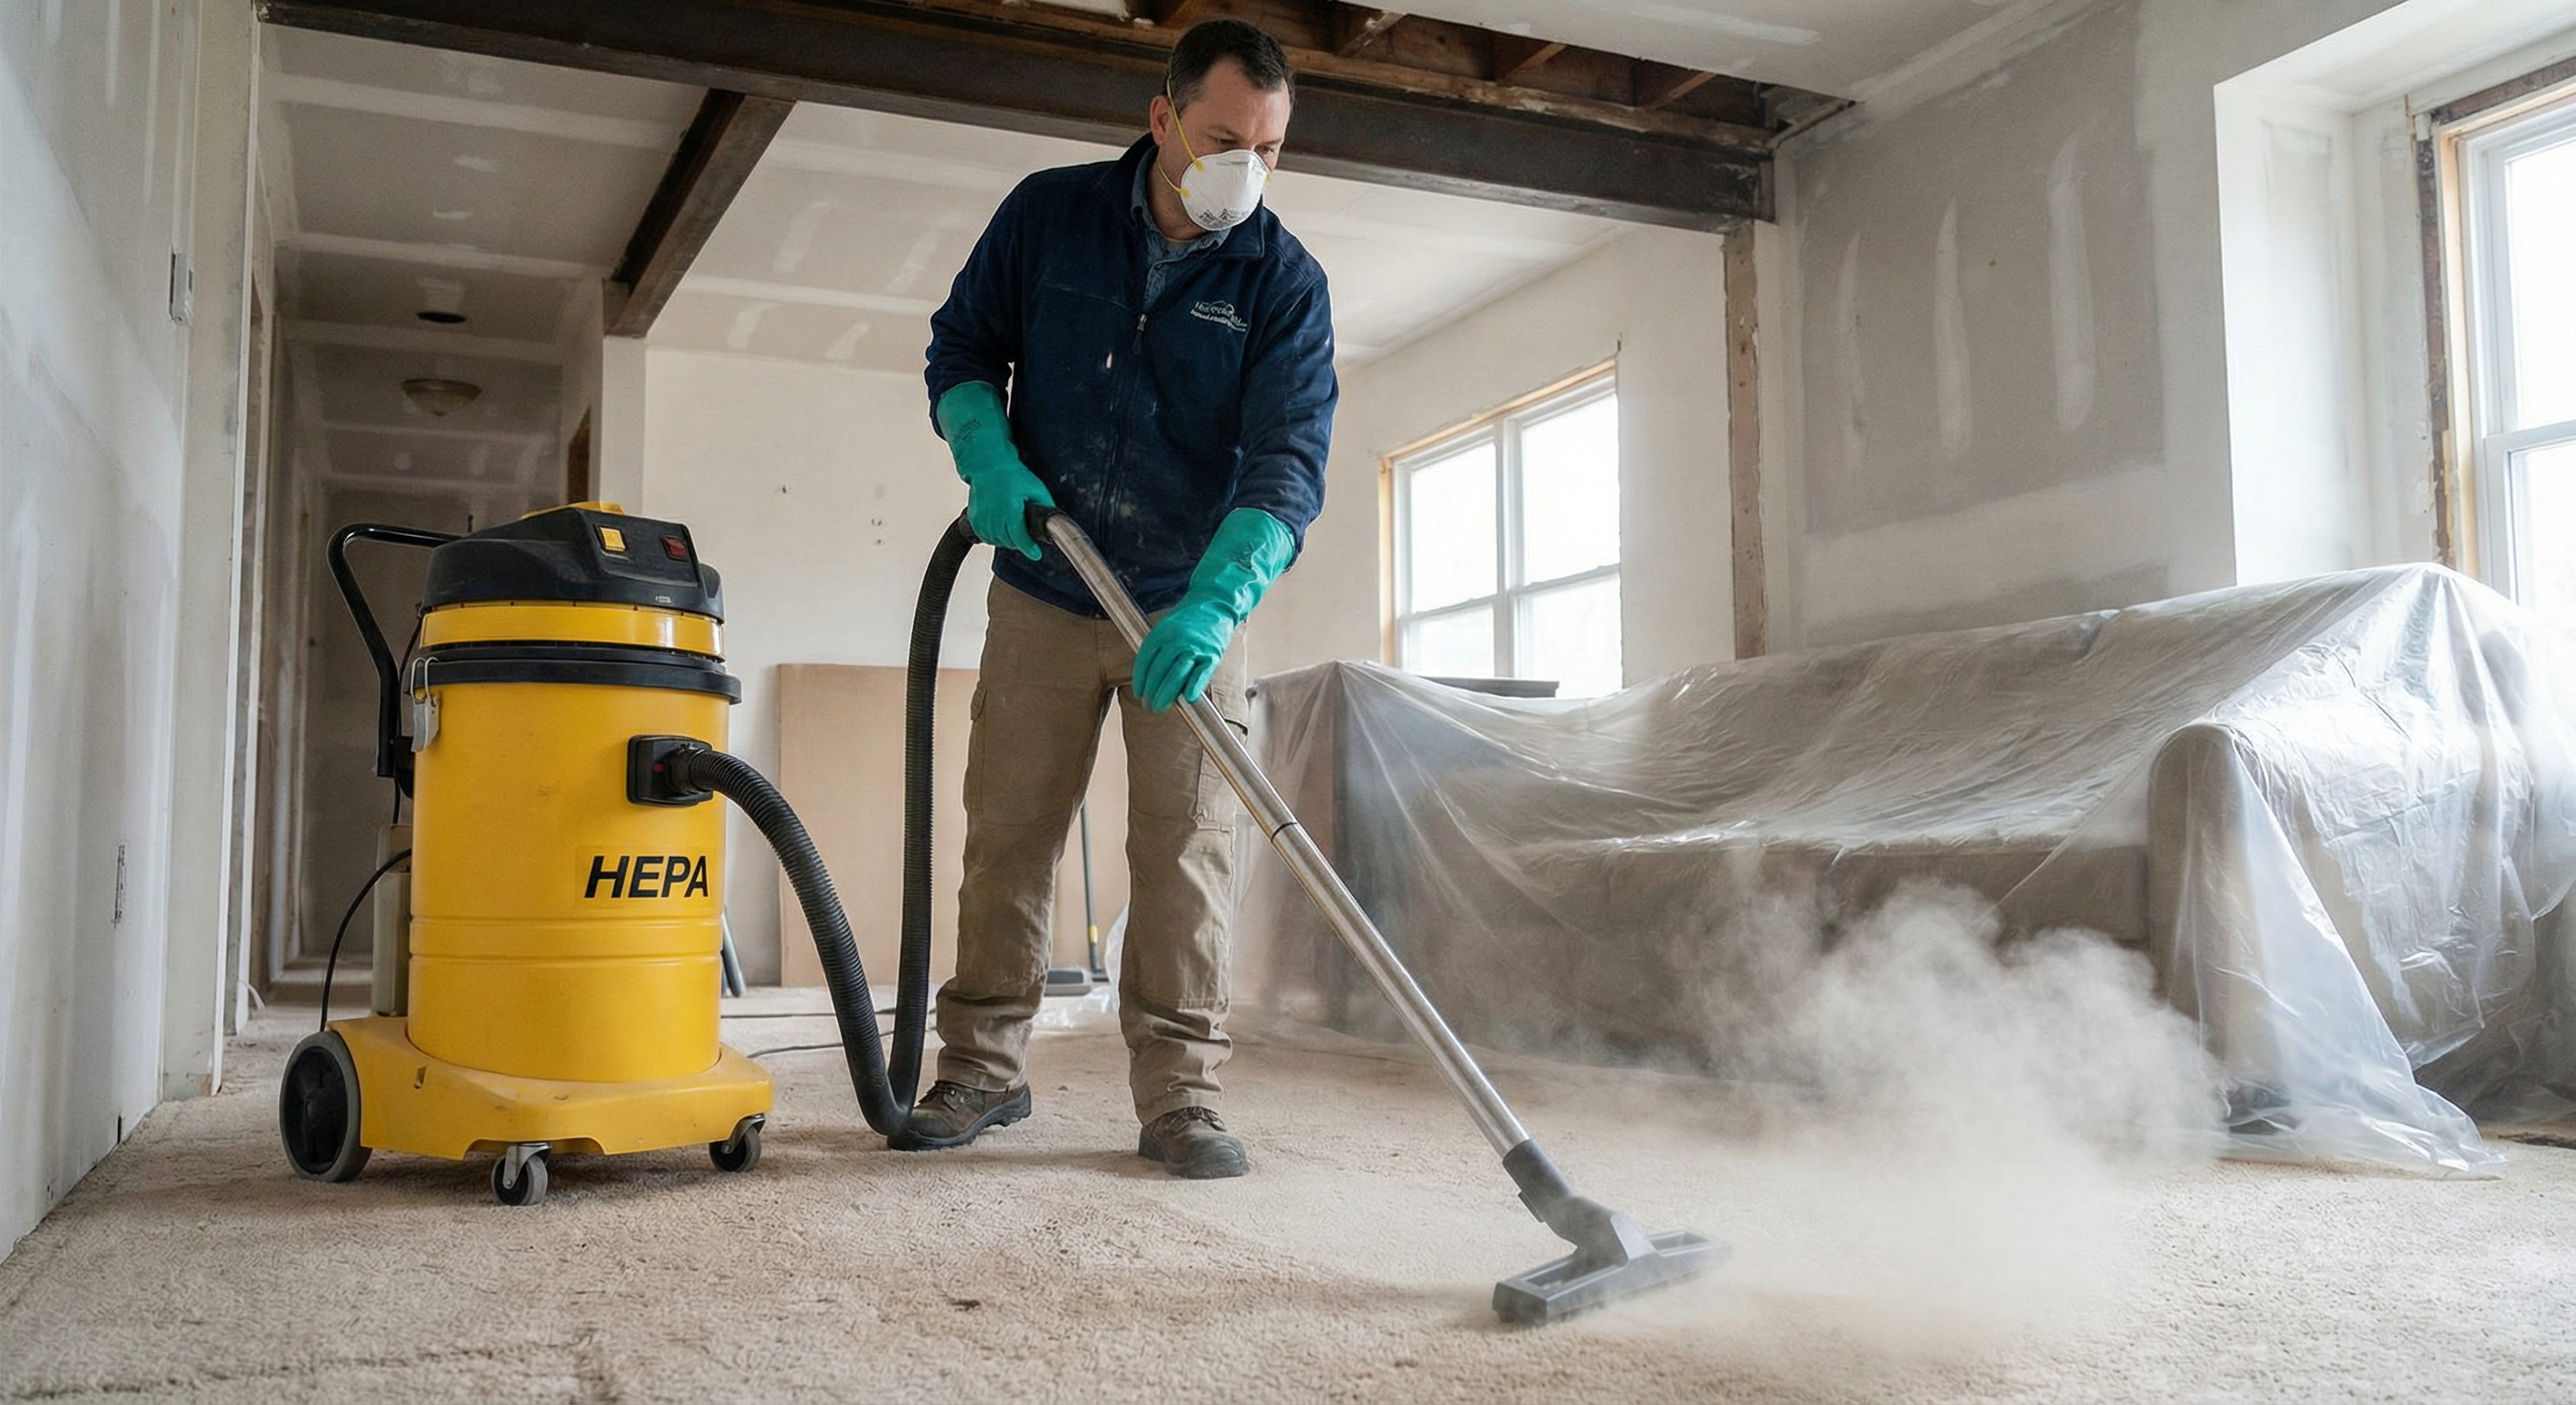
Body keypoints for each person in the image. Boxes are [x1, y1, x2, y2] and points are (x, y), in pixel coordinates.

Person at [903, 18, 1336, 1179]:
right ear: (1161, 119)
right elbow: (961, 350)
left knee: (1186, 853)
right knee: (1009, 833)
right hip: (1044, 586)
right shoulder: (1048, 215)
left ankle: (1180, 1095)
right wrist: (986, 459)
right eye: (1224, 140)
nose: (1246, 167)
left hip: (1186, 607)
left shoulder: (1282, 282)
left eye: (1270, 149)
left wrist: (1218, 600)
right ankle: (980, 1069)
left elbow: (1287, 465)